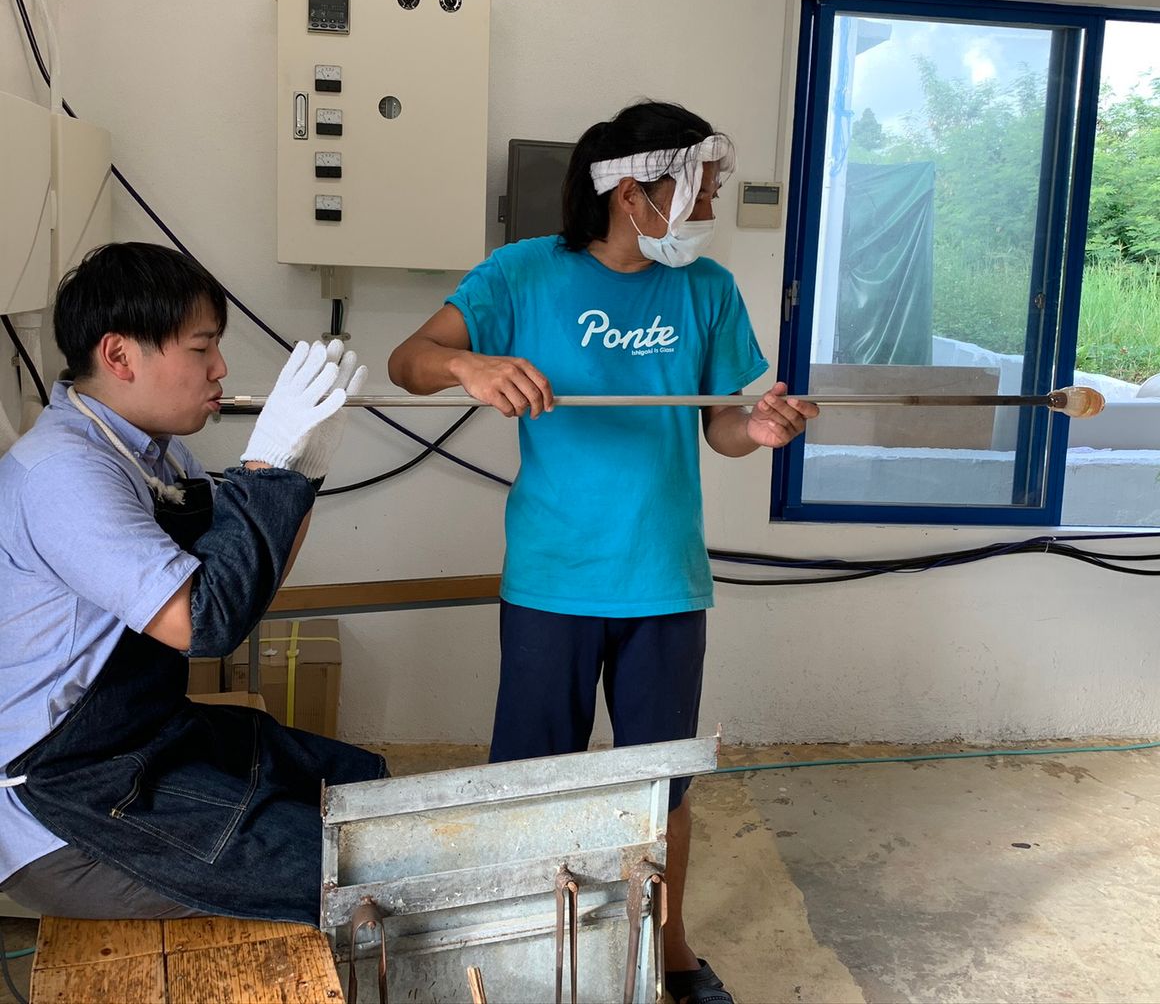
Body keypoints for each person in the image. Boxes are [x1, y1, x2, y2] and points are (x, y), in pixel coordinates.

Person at [388, 100, 818, 1003]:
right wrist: (468, 365)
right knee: (533, 782)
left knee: (663, 787)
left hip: (665, 580)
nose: (713, 205)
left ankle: (668, 954)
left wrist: (759, 429)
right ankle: (523, 957)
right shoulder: (520, 274)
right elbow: (407, 361)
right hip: (553, 581)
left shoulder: (706, 291)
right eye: (702, 188)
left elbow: (720, 427)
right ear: (633, 194)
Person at [0, 241, 384, 924]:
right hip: (64, 796)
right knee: (354, 868)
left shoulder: (156, 452)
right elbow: (206, 625)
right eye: (202, 347)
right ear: (120, 355)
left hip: (146, 738)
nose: (221, 368)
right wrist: (265, 468)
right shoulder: (64, 473)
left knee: (363, 787)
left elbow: (244, 581)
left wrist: (304, 472)